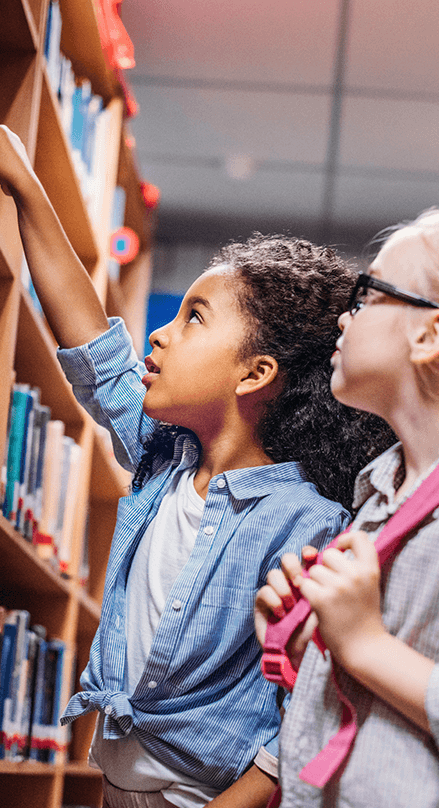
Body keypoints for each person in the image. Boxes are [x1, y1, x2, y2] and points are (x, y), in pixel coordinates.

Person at [0, 124, 392, 808]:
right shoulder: (165, 455)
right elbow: (94, 349)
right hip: (117, 785)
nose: (158, 332)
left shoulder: (309, 521)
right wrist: (26, 190)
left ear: (256, 374)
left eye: (193, 318)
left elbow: (296, 716)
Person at [254, 208, 439, 807]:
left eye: (368, 292)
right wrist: (313, 640)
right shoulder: (381, 490)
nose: (344, 315)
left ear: (429, 335)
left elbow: (376, 652)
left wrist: (363, 644)